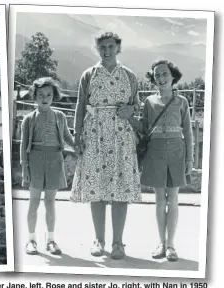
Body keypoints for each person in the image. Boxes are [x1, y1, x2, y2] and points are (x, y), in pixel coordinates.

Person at [70, 32, 142, 260]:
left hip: (122, 136)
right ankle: (98, 240)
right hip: (94, 134)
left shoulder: (129, 75)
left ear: (118, 48)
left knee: (120, 191)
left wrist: (131, 110)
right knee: (96, 190)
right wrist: (77, 136)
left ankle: (118, 243)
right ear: (97, 49)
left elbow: (137, 105)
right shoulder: (89, 74)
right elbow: (80, 107)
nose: (107, 50)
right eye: (102, 47)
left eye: (111, 46)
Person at [130, 59, 193, 262]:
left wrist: (189, 159)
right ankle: (161, 243)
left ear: (173, 76)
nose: (161, 78)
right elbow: (144, 128)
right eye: (157, 75)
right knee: (159, 200)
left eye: (165, 74)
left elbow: (189, 133)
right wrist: (129, 117)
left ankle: (171, 246)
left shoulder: (182, 101)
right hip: (155, 152)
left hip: (176, 152)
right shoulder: (149, 101)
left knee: (173, 199)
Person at [21, 77, 75, 255]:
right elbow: (23, 147)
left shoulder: (60, 116)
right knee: (34, 202)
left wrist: (77, 146)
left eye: (49, 95)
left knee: (50, 202)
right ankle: (31, 239)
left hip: (54, 159)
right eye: (41, 95)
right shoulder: (29, 119)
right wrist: (24, 170)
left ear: (54, 96)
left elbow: (67, 137)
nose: (45, 98)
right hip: (35, 160)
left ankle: (51, 240)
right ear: (35, 96)